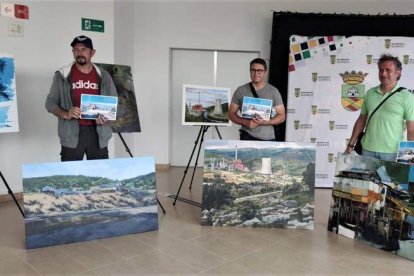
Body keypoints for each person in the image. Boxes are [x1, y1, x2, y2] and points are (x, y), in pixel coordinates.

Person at [45, 35, 117, 161]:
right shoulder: (62, 75)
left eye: (84, 49)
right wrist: (66, 114)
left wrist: (106, 117)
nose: (80, 53)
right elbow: (50, 103)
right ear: (73, 52)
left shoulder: (104, 76)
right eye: (76, 50)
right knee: (70, 176)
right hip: (71, 134)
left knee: (99, 173)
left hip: (98, 133)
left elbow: (115, 104)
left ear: (92, 52)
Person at [345, 54, 414, 161]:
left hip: (393, 153)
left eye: (388, 70)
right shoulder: (370, 93)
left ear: (398, 73)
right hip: (367, 151)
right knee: (366, 179)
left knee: (391, 179)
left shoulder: (407, 97)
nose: (383, 73)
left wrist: (411, 157)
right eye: (381, 70)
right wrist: (350, 144)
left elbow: (411, 129)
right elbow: (361, 120)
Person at [229, 58, 285, 141]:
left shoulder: (273, 91)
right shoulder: (240, 90)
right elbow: (231, 114)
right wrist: (245, 122)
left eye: (259, 71)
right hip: (247, 137)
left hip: (268, 138)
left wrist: (266, 122)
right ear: (250, 71)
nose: (256, 74)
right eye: (253, 70)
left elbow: (282, 116)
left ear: (265, 72)